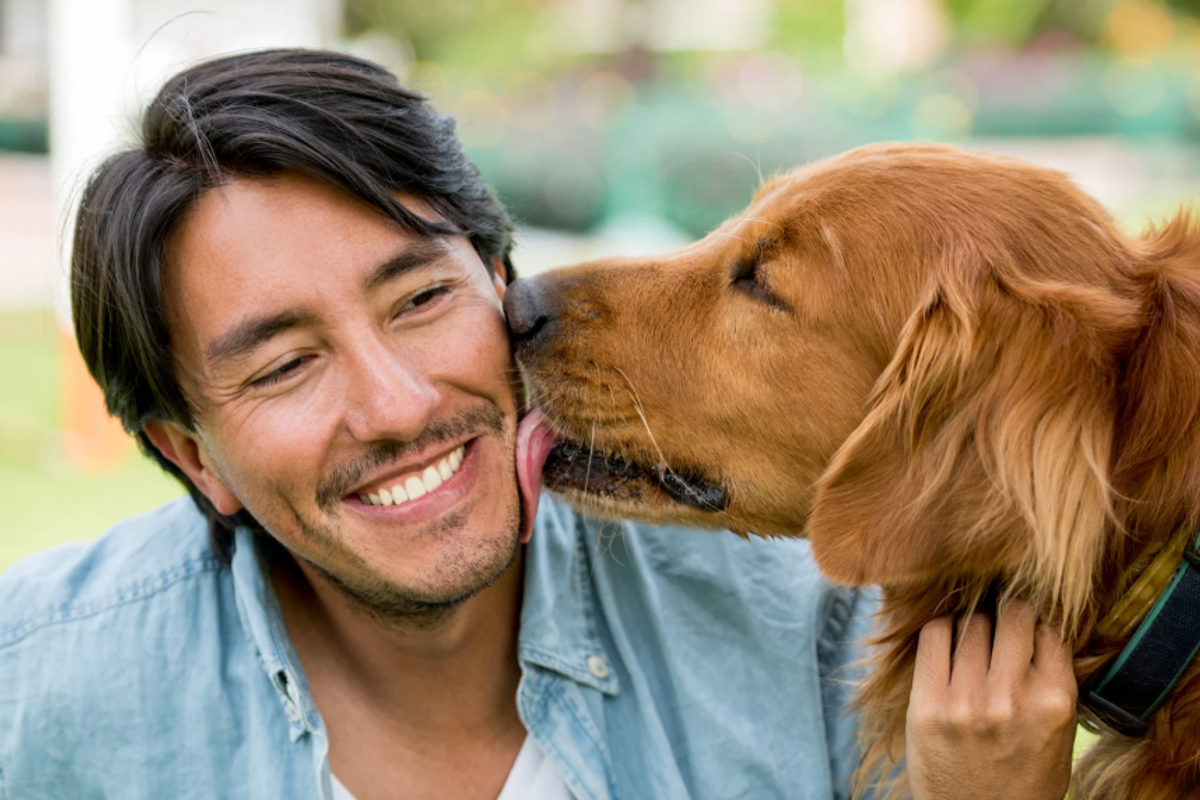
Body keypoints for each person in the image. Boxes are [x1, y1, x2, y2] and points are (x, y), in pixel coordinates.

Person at [0, 49, 1077, 800]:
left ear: (501, 281)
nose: (401, 405)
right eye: (285, 365)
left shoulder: (840, 635)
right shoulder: (38, 688)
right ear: (193, 456)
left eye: (422, 300)